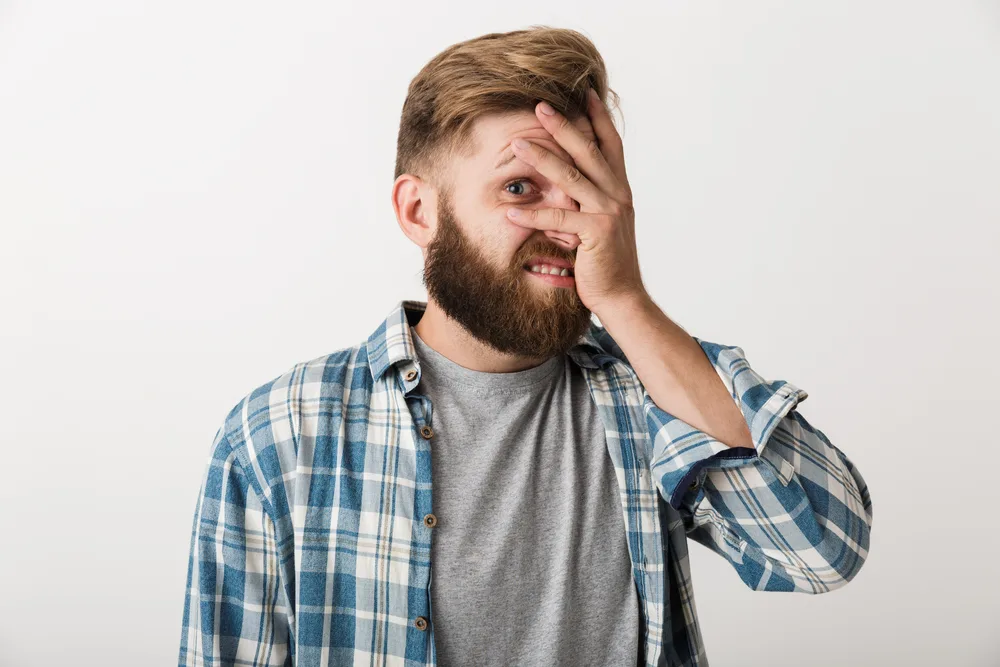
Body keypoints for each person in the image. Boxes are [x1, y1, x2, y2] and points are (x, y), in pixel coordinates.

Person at [177, 26, 873, 667]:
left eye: (583, 188)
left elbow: (821, 552)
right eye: (520, 188)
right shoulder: (279, 434)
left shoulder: (652, 394)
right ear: (419, 211)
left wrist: (627, 301)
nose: (566, 224)